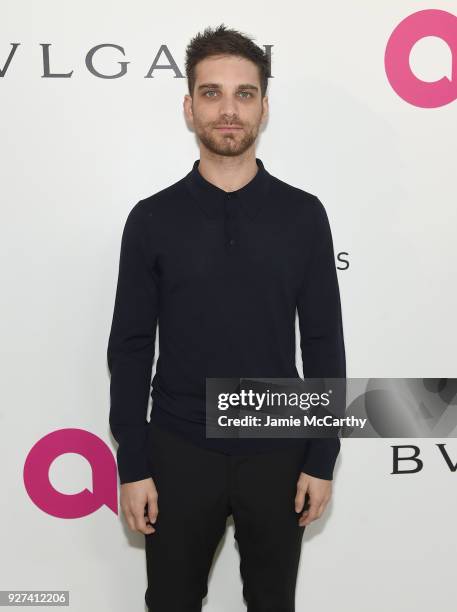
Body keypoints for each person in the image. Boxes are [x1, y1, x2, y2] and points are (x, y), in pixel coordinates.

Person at [107, 23, 346, 612]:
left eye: (244, 93)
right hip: (179, 450)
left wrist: (322, 456)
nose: (229, 110)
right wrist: (132, 462)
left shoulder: (304, 216)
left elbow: (322, 342)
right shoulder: (151, 220)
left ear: (264, 107)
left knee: (273, 603)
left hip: (278, 448)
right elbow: (131, 348)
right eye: (212, 93)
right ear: (189, 108)